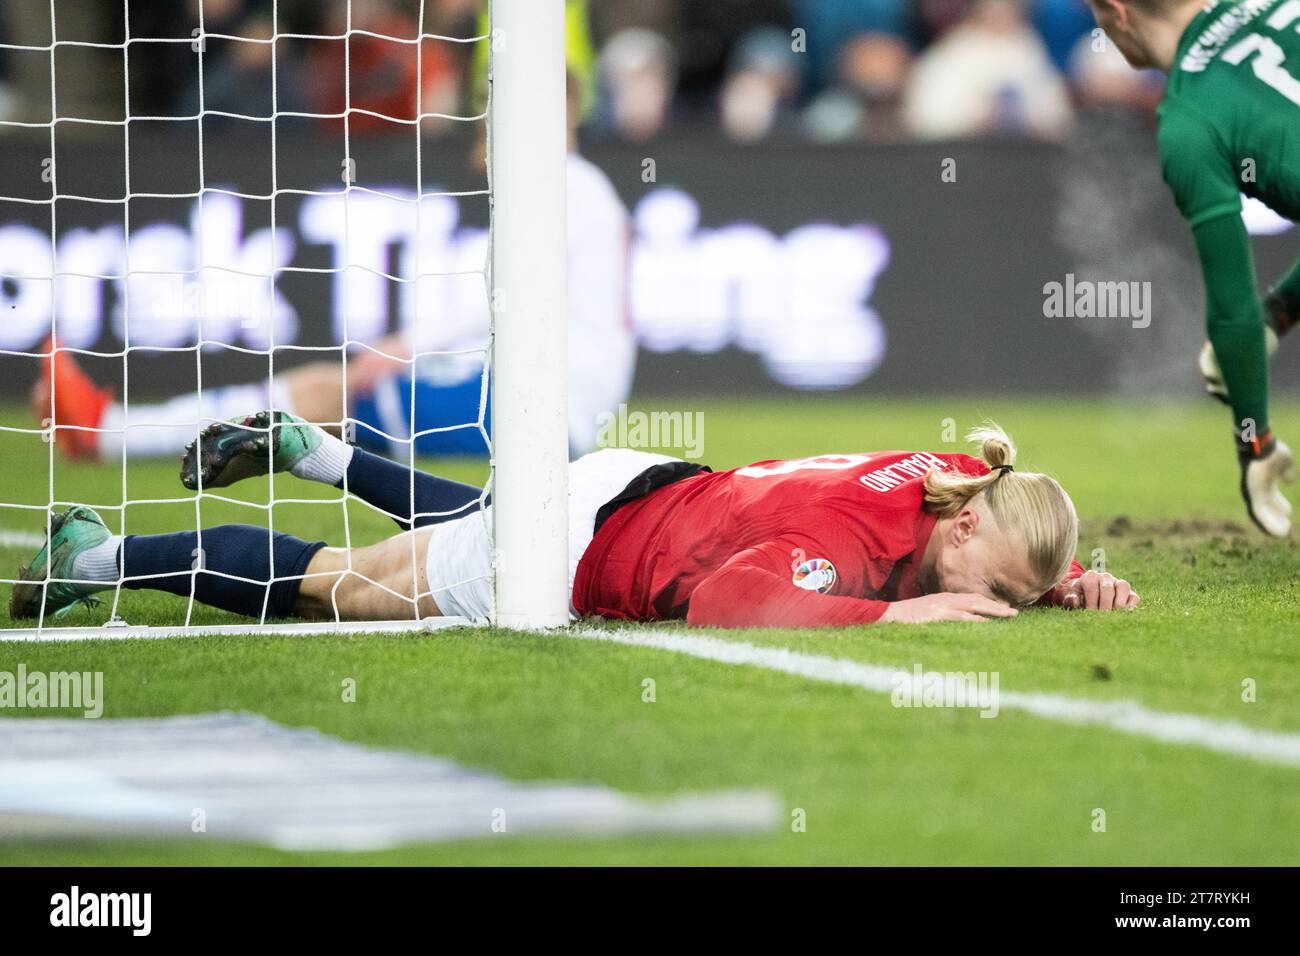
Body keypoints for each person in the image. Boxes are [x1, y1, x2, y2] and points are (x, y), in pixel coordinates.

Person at [10, 415, 1138, 626]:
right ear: (959, 537)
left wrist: (1065, 576)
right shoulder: (850, 547)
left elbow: (1019, 518)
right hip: (583, 546)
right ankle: (96, 551)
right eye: (998, 588)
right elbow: (729, 598)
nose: (990, 606)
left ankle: (325, 451)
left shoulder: (960, 473)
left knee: (466, 524)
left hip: (637, 481)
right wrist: (893, 623)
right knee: (347, 586)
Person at [1084, 0, 1300, 535]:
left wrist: (1254, 443)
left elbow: (1231, 310)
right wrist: (1277, 316)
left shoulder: (1188, 119)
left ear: (1117, 13)